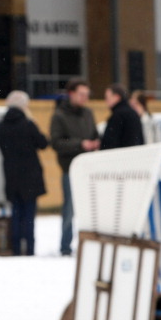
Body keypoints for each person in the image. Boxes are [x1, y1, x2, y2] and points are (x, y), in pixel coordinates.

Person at [50, 79, 100, 256]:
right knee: (69, 210)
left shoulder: (88, 113)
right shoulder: (59, 115)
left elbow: (94, 133)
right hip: (70, 169)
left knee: (91, 209)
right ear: (71, 93)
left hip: (89, 169)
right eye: (81, 94)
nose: (85, 98)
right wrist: (80, 144)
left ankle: (89, 244)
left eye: (87, 95)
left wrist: (96, 142)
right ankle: (65, 247)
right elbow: (55, 143)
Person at [0, 91, 49, 256]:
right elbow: (43, 143)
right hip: (30, 177)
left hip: (11, 176)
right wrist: (32, 122)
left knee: (16, 214)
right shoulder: (28, 124)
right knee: (29, 215)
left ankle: (17, 249)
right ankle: (30, 249)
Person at [100, 83, 144, 150]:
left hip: (121, 157)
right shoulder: (133, 113)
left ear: (117, 97)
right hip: (134, 155)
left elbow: (110, 142)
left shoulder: (118, 115)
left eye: (107, 97)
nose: (106, 101)